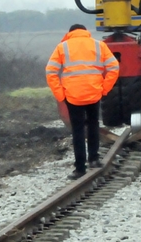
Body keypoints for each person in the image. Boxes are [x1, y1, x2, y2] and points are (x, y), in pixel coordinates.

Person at [45, 24, 119, 180]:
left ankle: (80, 168)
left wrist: (60, 95)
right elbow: (113, 67)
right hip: (94, 93)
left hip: (72, 96)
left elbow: (51, 71)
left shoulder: (62, 47)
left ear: (70, 33)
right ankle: (94, 159)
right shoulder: (99, 45)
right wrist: (104, 89)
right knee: (93, 125)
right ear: (85, 32)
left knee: (78, 130)